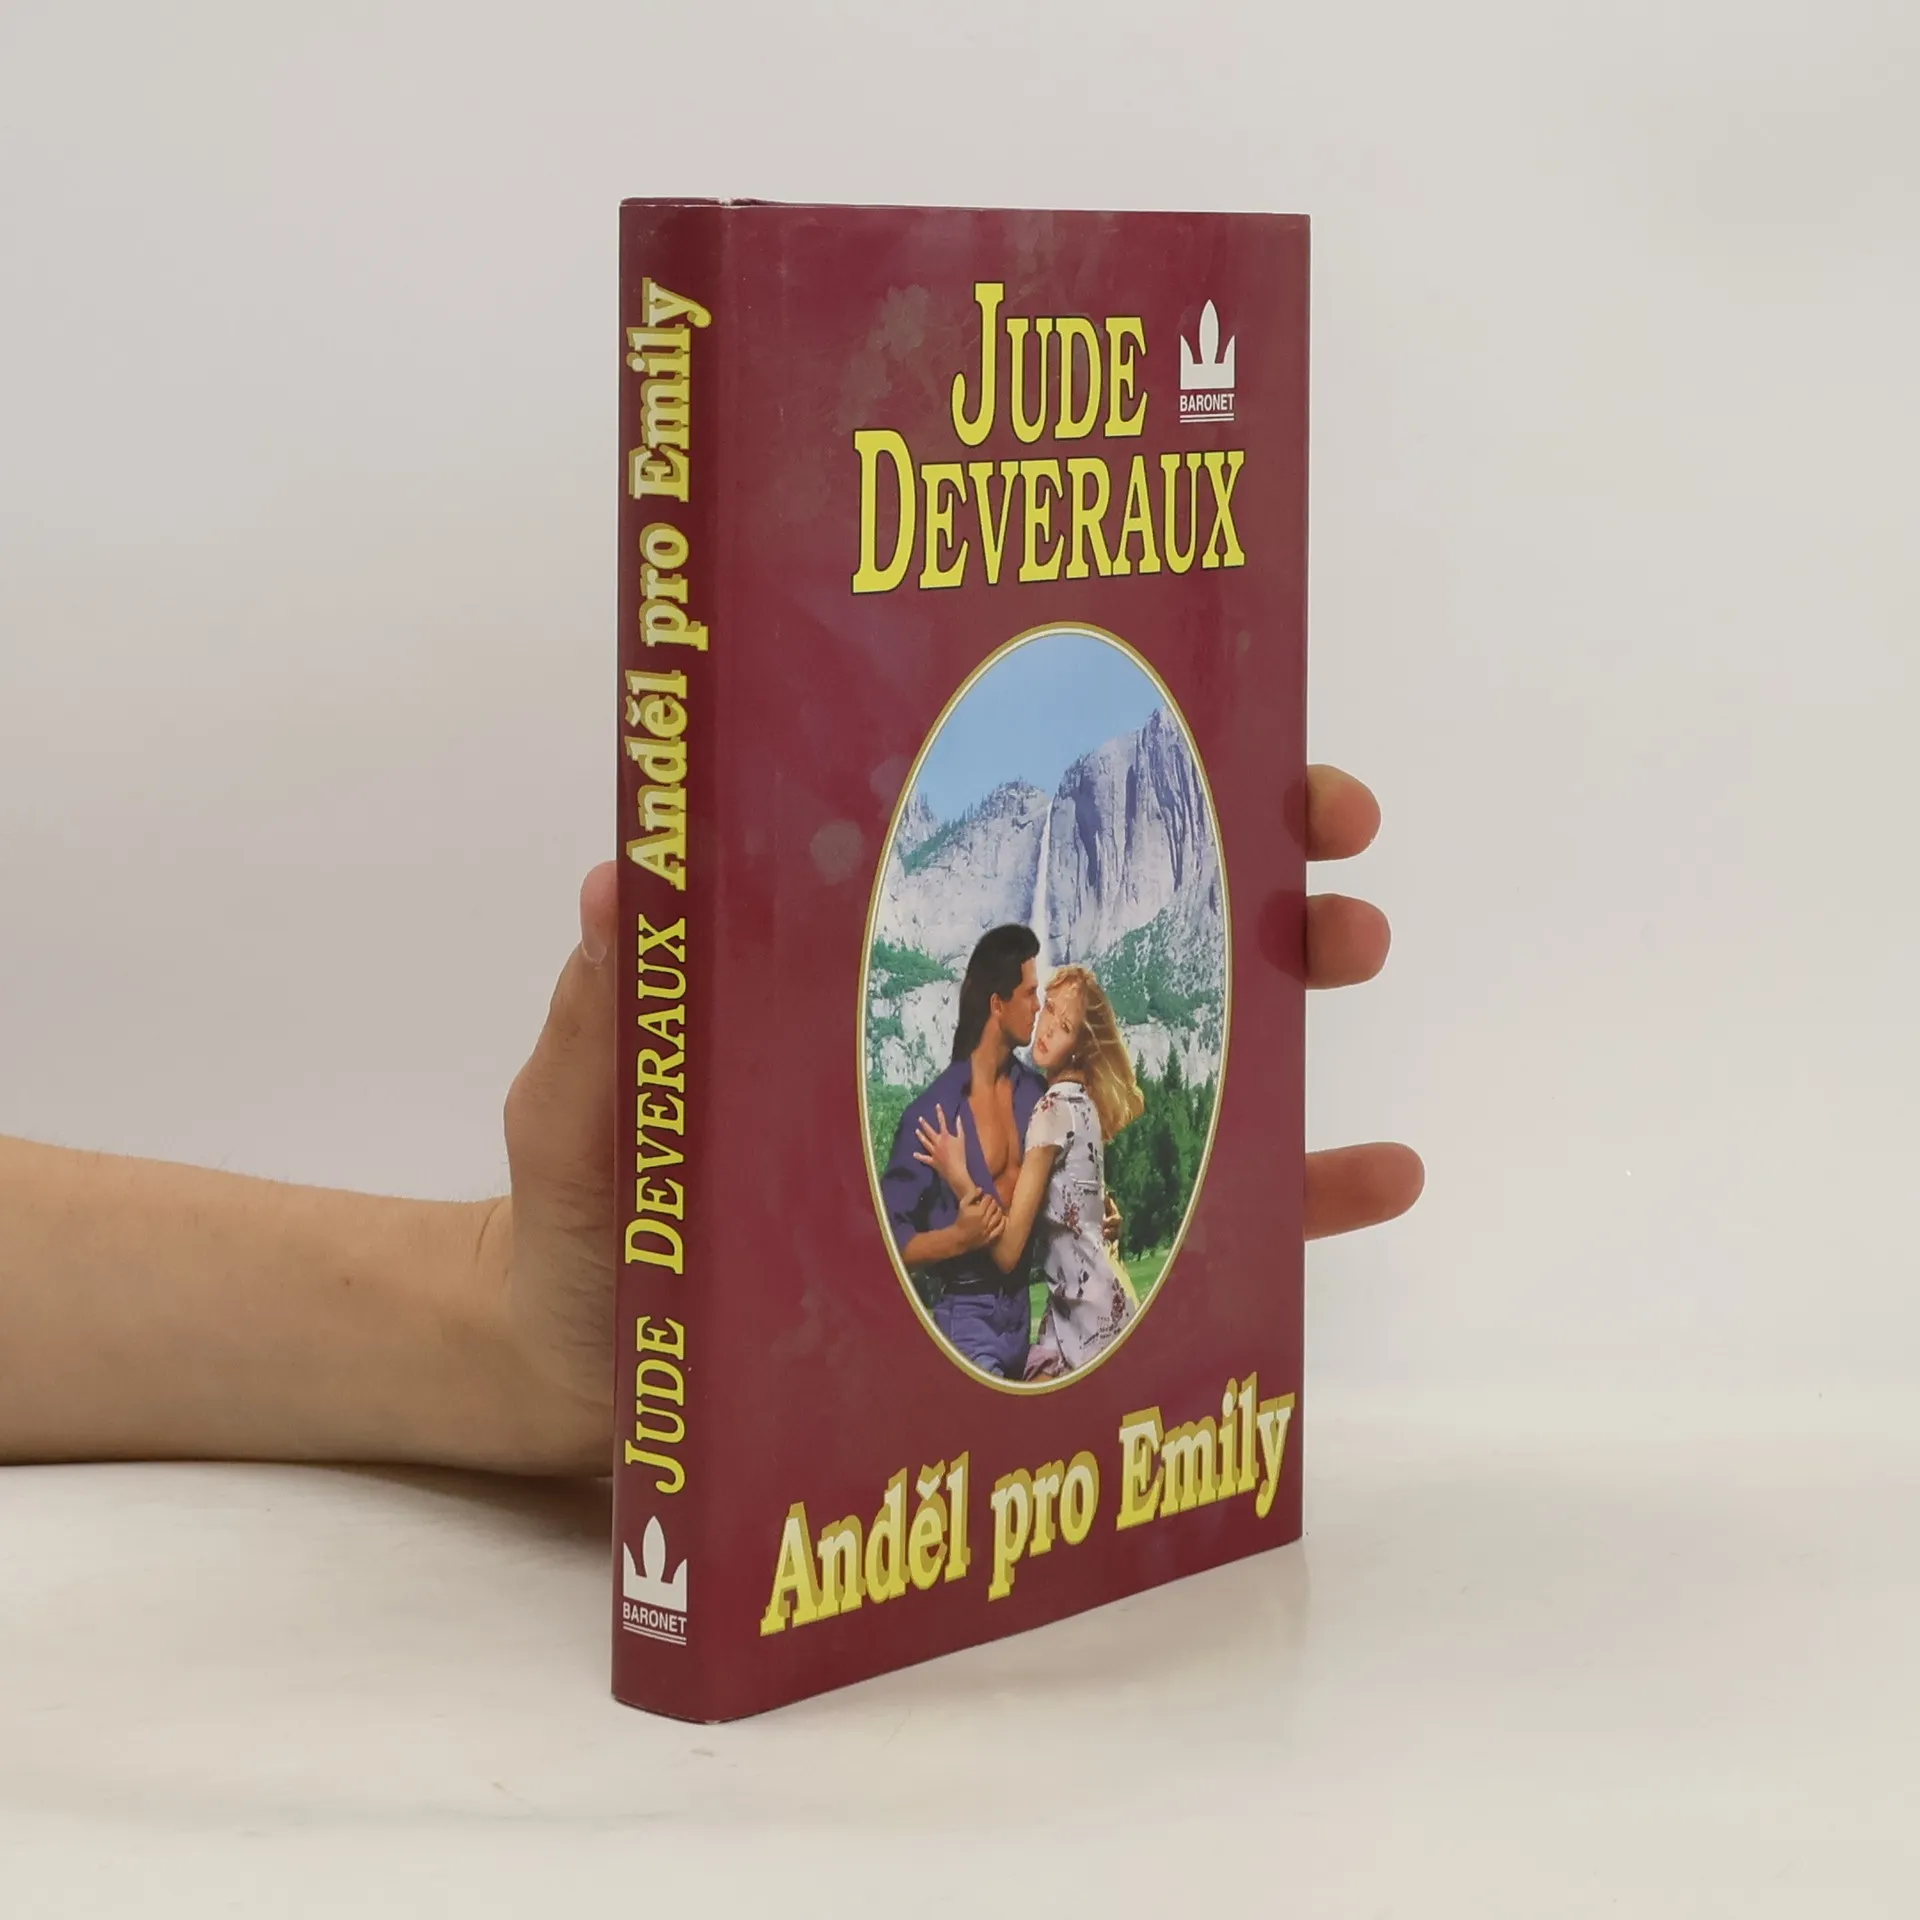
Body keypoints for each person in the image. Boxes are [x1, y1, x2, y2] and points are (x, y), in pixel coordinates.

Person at [0, 765, 1423, 1472]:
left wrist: (515, 1328)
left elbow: (1007, 1249)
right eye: (1037, 995)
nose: (1050, 1011)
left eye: (1065, 1003)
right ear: (1003, 1002)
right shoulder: (951, 1111)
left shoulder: (1035, 1112)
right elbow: (960, 1251)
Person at [915, 963, 1144, 1381]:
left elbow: (1007, 1254)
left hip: (1087, 1326)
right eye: (1049, 1008)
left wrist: (958, 1174)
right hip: (1095, 1307)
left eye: (1065, 1026)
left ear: (1079, 1047)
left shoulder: (1051, 1109)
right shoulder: (1084, 1104)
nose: (1048, 1028)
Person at [880, 924, 1046, 1378]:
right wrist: (958, 1238)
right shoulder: (932, 1114)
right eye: (1029, 993)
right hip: (966, 1321)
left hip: (1024, 1317)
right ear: (997, 1004)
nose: (1038, 1006)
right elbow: (886, 1242)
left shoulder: (1037, 1094)